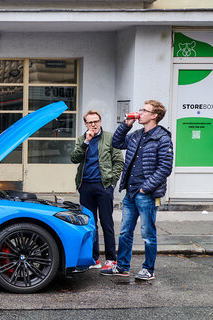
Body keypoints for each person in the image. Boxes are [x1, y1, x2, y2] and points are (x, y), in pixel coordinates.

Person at [101, 100, 173, 281]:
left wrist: (145, 189)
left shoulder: (162, 138)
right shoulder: (136, 135)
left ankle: (149, 269)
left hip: (145, 194)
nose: (139, 113)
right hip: (131, 192)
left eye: (144, 110)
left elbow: (165, 168)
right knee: (125, 231)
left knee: (148, 234)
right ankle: (123, 266)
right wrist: (125, 126)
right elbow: (116, 143)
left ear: (154, 116)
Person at [71, 110, 123, 271]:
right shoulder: (82, 139)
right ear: (85, 124)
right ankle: (94, 259)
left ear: (100, 121)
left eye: (96, 121)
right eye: (90, 122)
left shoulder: (110, 138)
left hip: (104, 186)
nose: (93, 124)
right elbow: (74, 159)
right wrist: (86, 142)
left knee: (107, 223)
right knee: (89, 224)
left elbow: (119, 161)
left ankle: (111, 259)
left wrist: (111, 183)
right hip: (85, 186)